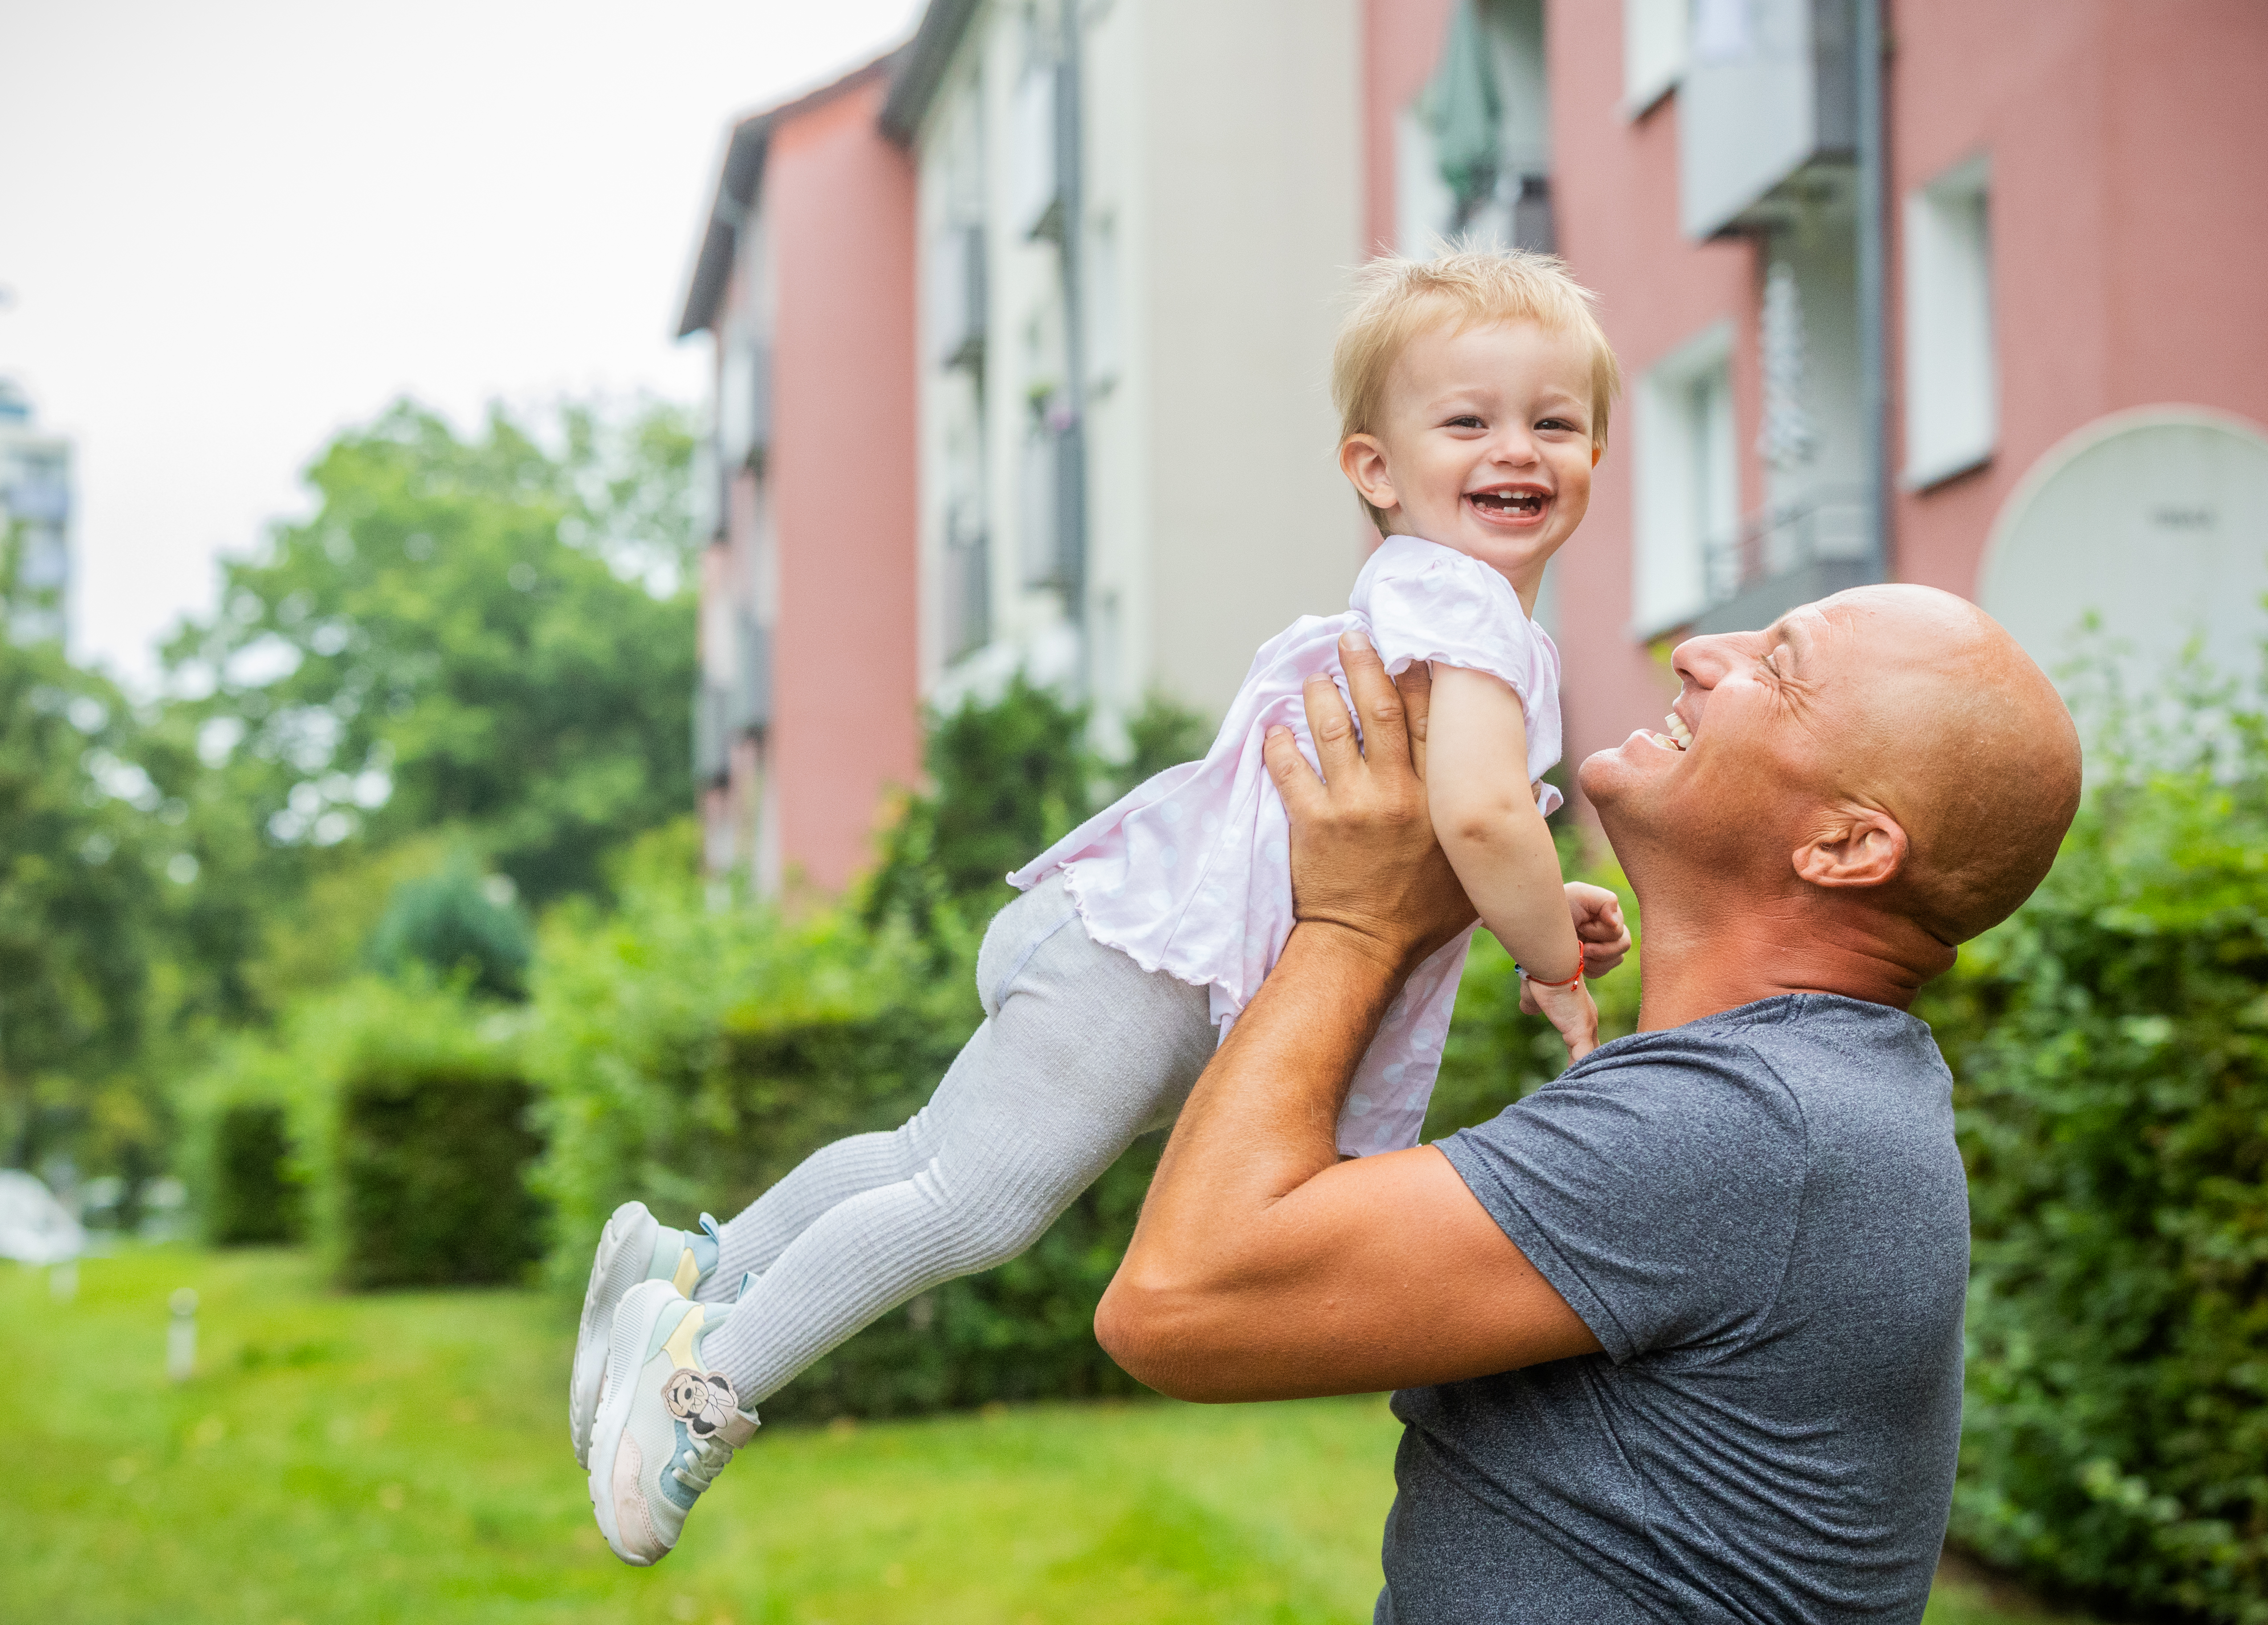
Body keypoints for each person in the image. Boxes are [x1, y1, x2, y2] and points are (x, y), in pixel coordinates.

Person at [569, 246, 1637, 1567]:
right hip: (1159, 967)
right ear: (1375, 468)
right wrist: (1550, 958)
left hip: (1138, 933)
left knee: (924, 1158)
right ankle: (702, 1383)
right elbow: (1474, 818)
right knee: (972, 1203)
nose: (1517, 449)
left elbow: (1450, 828)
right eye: (1468, 422)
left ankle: (687, 1272)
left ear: (1597, 453)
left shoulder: (1440, 601)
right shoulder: (1475, 611)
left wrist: (1534, 892)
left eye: (1555, 423)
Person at [1092, 591, 2084, 1622]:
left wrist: (1357, 921)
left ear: (1843, 846)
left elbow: (1177, 1303)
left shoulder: (1748, 1123)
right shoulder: (1810, 1094)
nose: (1696, 652)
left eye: (1778, 667)